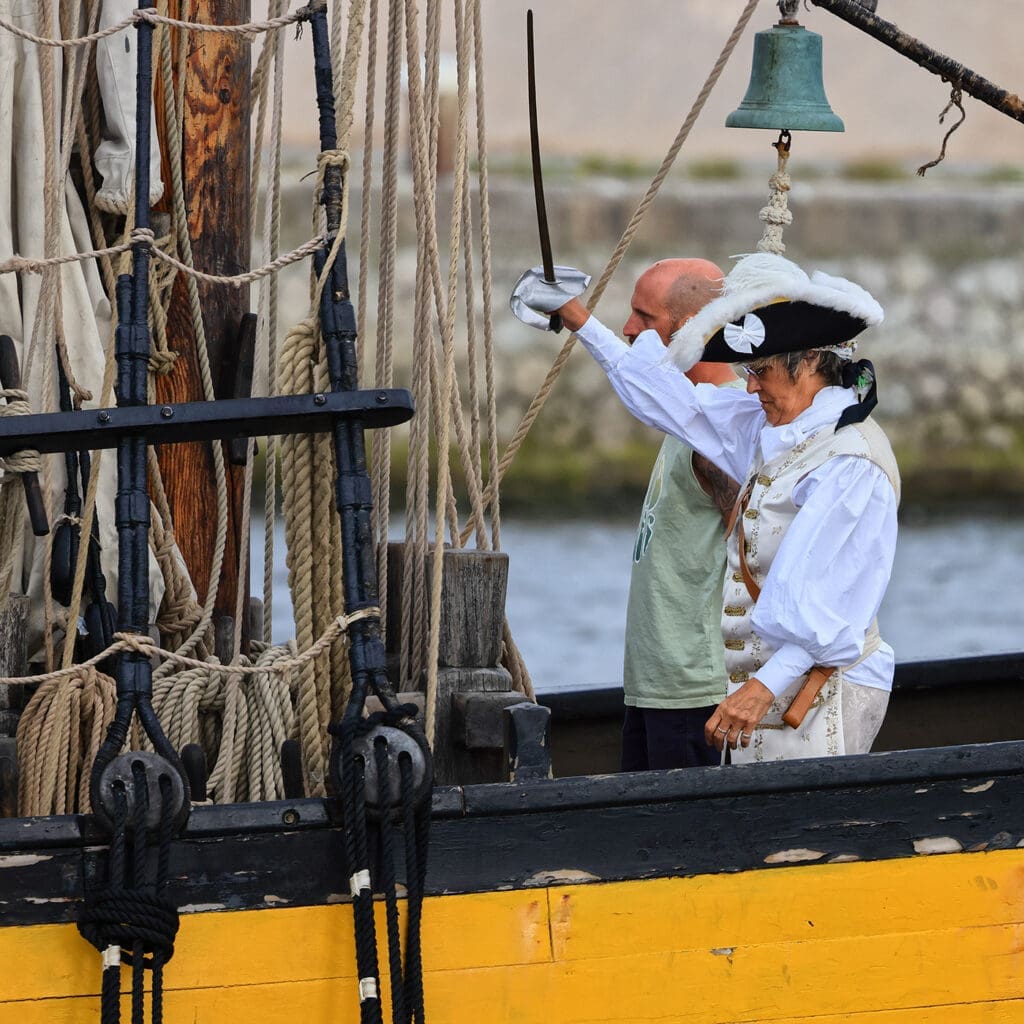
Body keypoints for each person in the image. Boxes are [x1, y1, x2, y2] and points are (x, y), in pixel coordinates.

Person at [511, 252, 899, 763]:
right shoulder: (769, 429)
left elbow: (837, 607)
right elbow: (673, 401)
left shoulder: (851, 462)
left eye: (760, 371)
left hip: (824, 690)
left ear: (808, 362)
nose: (751, 385)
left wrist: (762, 688)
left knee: (803, 816)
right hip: (769, 688)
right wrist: (580, 319)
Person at [612, 260, 742, 770]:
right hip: (655, 684)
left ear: (689, 328)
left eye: (644, 317)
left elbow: (753, 556)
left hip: (696, 692)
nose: (628, 329)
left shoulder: (720, 426)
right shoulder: (686, 413)